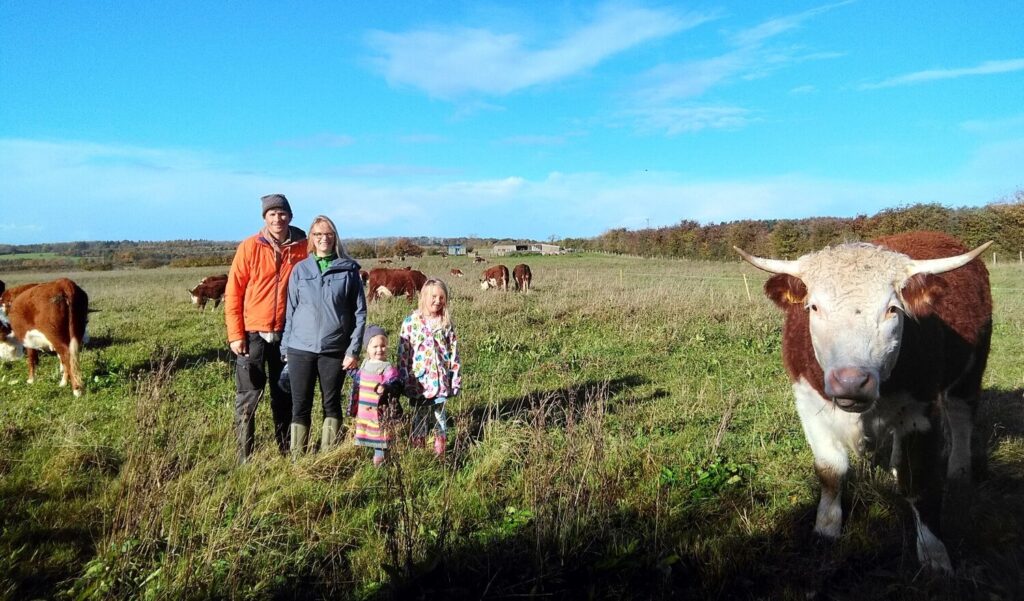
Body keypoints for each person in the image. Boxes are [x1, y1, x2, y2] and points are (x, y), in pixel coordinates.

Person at [226, 194, 308, 463]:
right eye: (271, 214)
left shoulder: (302, 248)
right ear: (265, 218)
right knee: (248, 398)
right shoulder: (250, 247)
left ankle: (285, 453)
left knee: (284, 395)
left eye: (282, 213)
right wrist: (236, 334)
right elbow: (234, 291)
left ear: (290, 217)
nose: (277, 219)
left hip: (287, 334)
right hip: (253, 335)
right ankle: (244, 457)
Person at [281, 215, 366, 458]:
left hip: (334, 349)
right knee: (301, 406)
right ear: (311, 238)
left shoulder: (349, 270)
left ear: (335, 237)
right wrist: (286, 348)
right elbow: (291, 310)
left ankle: (327, 457)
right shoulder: (300, 269)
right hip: (300, 348)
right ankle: (300, 459)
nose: (323, 239)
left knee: (331, 403)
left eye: (328, 234)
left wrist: (353, 350)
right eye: (318, 234)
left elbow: (360, 313)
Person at [398, 278, 461, 457]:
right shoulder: (411, 322)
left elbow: (453, 353)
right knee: (420, 416)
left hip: (441, 380)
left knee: (440, 417)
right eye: (433, 296)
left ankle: (440, 452)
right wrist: (403, 379)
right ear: (424, 297)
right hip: (419, 382)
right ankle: (419, 453)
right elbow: (403, 353)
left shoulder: (446, 323)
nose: (437, 301)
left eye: (442, 298)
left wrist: (454, 379)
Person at [350, 324, 402, 466]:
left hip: (380, 413)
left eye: (383, 345)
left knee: (380, 437)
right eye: (375, 347)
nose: (379, 349)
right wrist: (349, 369)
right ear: (367, 348)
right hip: (365, 413)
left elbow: (396, 384)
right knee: (368, 435)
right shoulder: (364, 365)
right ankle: (376, 459)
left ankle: (380, 462)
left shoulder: (387, 368)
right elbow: (357, 379)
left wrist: (386, 387)